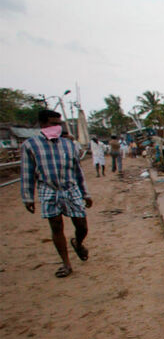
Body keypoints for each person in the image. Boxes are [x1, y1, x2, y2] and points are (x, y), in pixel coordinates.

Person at [21, 109, 93, 278]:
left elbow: (77, 171)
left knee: (81, 225)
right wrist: (28, 197)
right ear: (43, 124)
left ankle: (78, 242)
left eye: (59, 124)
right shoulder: (30, 145)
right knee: (56, 226)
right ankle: (66, 263)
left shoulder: (68, 144)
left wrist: (85, 193)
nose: (57, 127)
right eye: (53, 124)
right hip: (48, 189)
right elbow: (27, 173)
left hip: (70, 187)